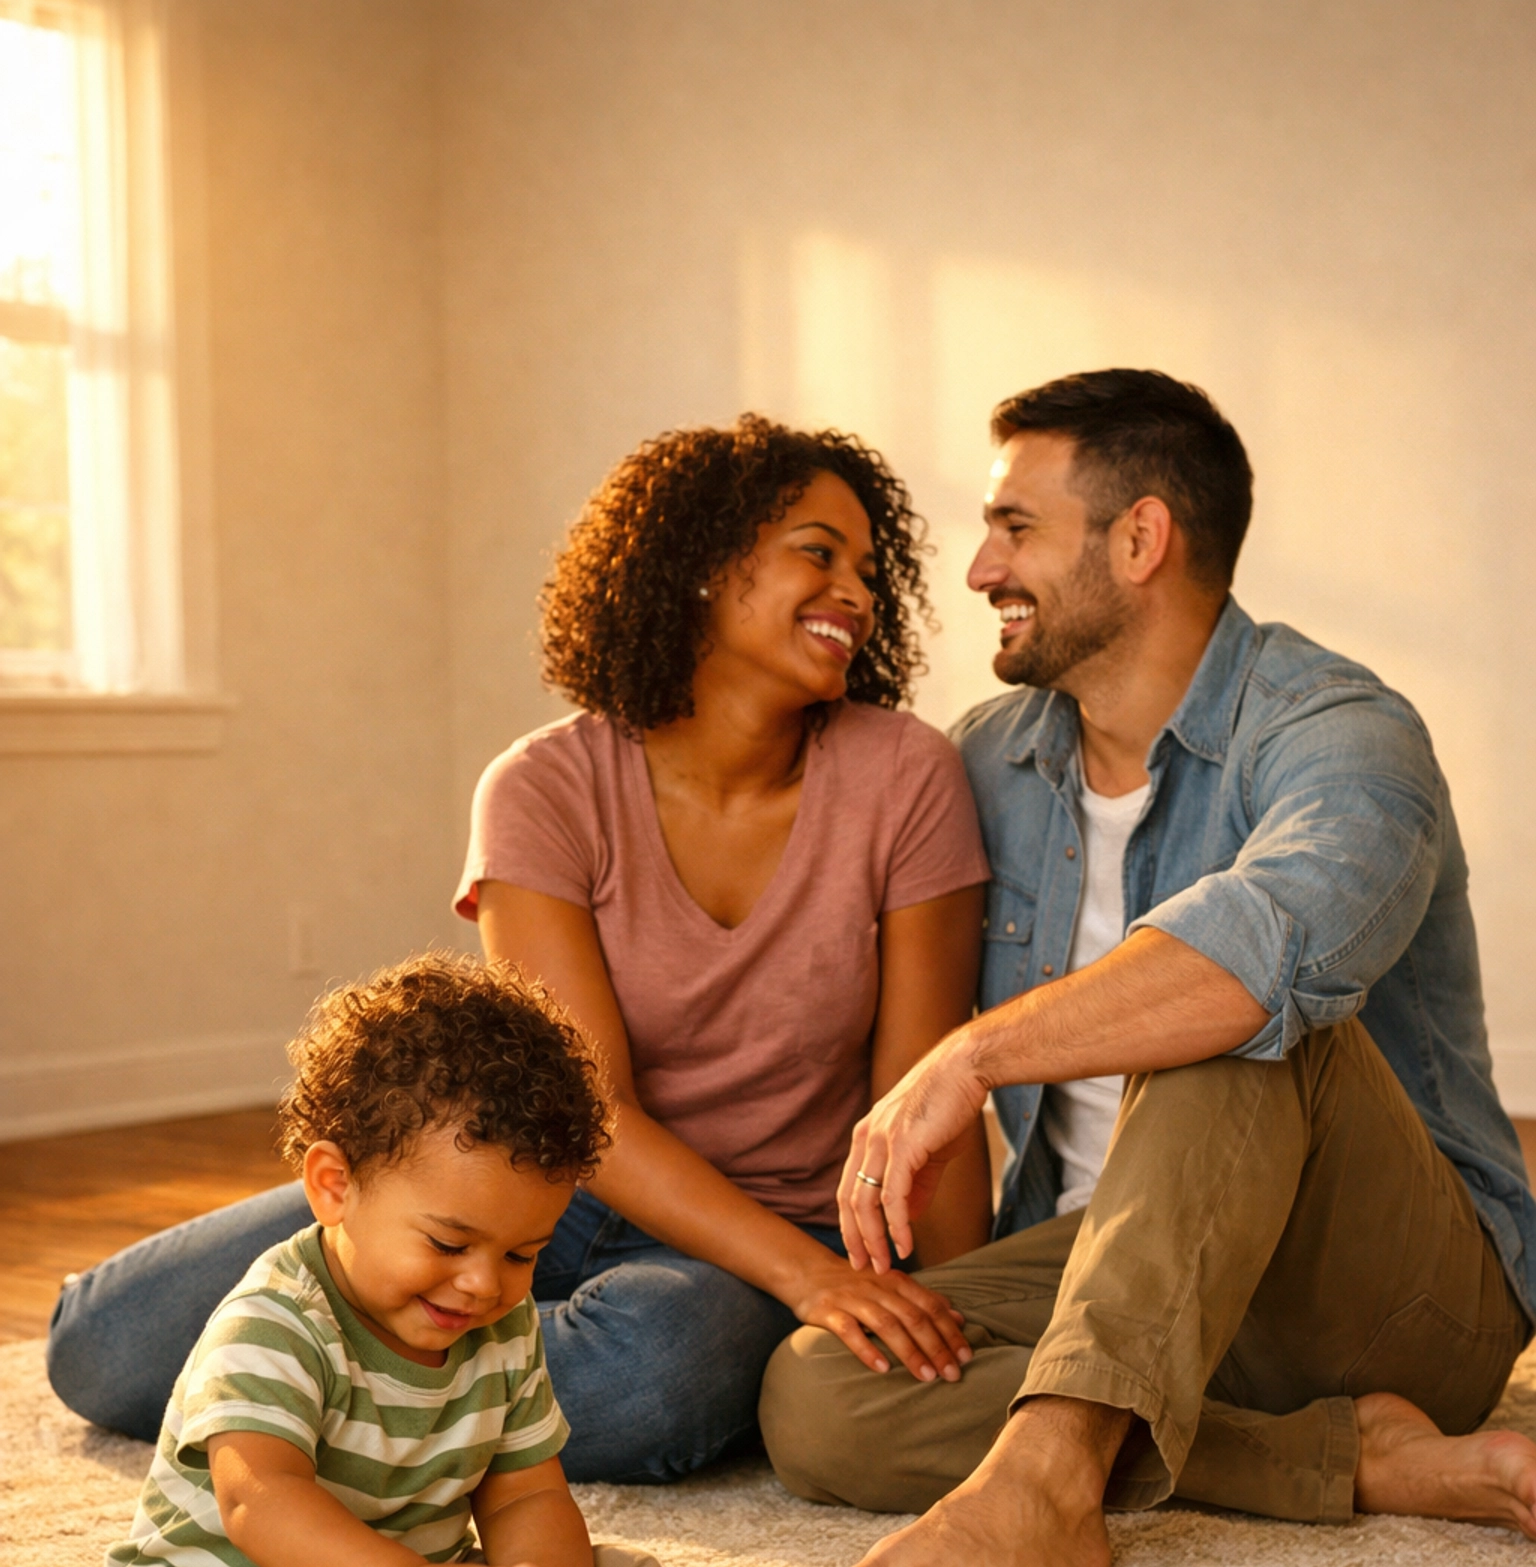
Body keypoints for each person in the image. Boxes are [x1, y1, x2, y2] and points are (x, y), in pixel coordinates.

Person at [48, 414, 993, 1480]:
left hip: (774, 1234)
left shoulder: (905, 776)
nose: (857, 594)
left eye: (869, 570)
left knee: (652, 1377)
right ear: (696, 563)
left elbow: (927, 1100)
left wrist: (927, 1306)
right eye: (819, 554)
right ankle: (403, 1388)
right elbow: (594, 1112)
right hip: (543, 1190)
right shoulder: (544, 787)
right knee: (102, 1350)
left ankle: (328, 1393)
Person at [759, 368, 1536, 1567]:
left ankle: (1049, 1479)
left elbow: (1260, 953)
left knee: (1221, 1002)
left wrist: (970, 1058)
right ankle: (1353, 1460)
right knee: (819, 1392)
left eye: (1016, 528)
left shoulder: (1345, 731)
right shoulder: (990, 759)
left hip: (1388, 1297)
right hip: (1111, 1270)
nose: (980, 569)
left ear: (1139, 540)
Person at [83, 955, 678, 1567]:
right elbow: (259, 1499)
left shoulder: (502, 1326)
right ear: (334, 1187)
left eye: (523, 1254)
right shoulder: (276, 1322)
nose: (483, 1284)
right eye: (448, 1243)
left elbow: (524, 1496)